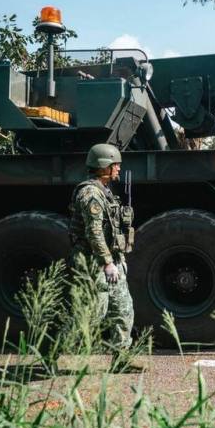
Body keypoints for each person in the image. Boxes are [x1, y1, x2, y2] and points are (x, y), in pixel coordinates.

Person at [69, 143, 135, 360]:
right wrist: (107, 262)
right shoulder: (91, 194)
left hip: (111, 260)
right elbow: (94, 232)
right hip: (93, 262)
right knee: (91, 316)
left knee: (123, 311)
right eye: (115, 165)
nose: (118, 169)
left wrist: (118, 259)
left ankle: (121, 359)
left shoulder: (106, 192)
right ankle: (49, 352)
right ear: (103, 166)